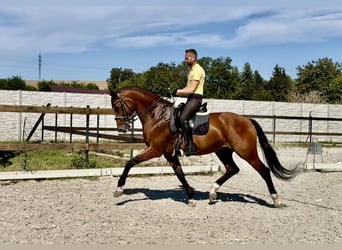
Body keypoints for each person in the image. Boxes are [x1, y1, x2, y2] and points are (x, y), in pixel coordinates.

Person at [171, 49, 205, 156]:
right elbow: (187, 87)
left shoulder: (197, 70)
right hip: (191, 98)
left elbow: (191, 89)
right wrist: (177, 92)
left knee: (183, 118)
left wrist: (178, 91)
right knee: (177, 114)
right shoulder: (191, 71)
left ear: (193, 58)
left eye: (186, 58)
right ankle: (179, 142)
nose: (185, 60)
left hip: (196, 99)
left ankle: (191, 145)